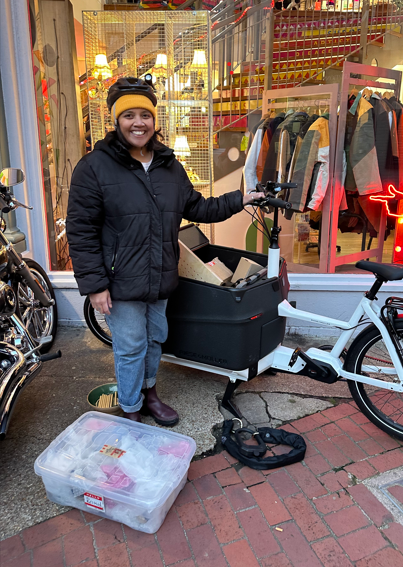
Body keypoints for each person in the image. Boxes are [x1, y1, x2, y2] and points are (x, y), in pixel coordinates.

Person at [66, 77, 262, 424]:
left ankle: (149, 394)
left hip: (160, 275)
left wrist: (240, 198)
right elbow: (81, 231)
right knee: (130, 348)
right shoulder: (94, 168)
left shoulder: (169, 165)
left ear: (155, 121)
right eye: (129, 115)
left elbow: (199, 208)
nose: (138, 123)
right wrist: (95, 285)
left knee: (156, 338)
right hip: (119, 280)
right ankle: (130, 409)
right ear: (116, 120)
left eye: (145, 115)